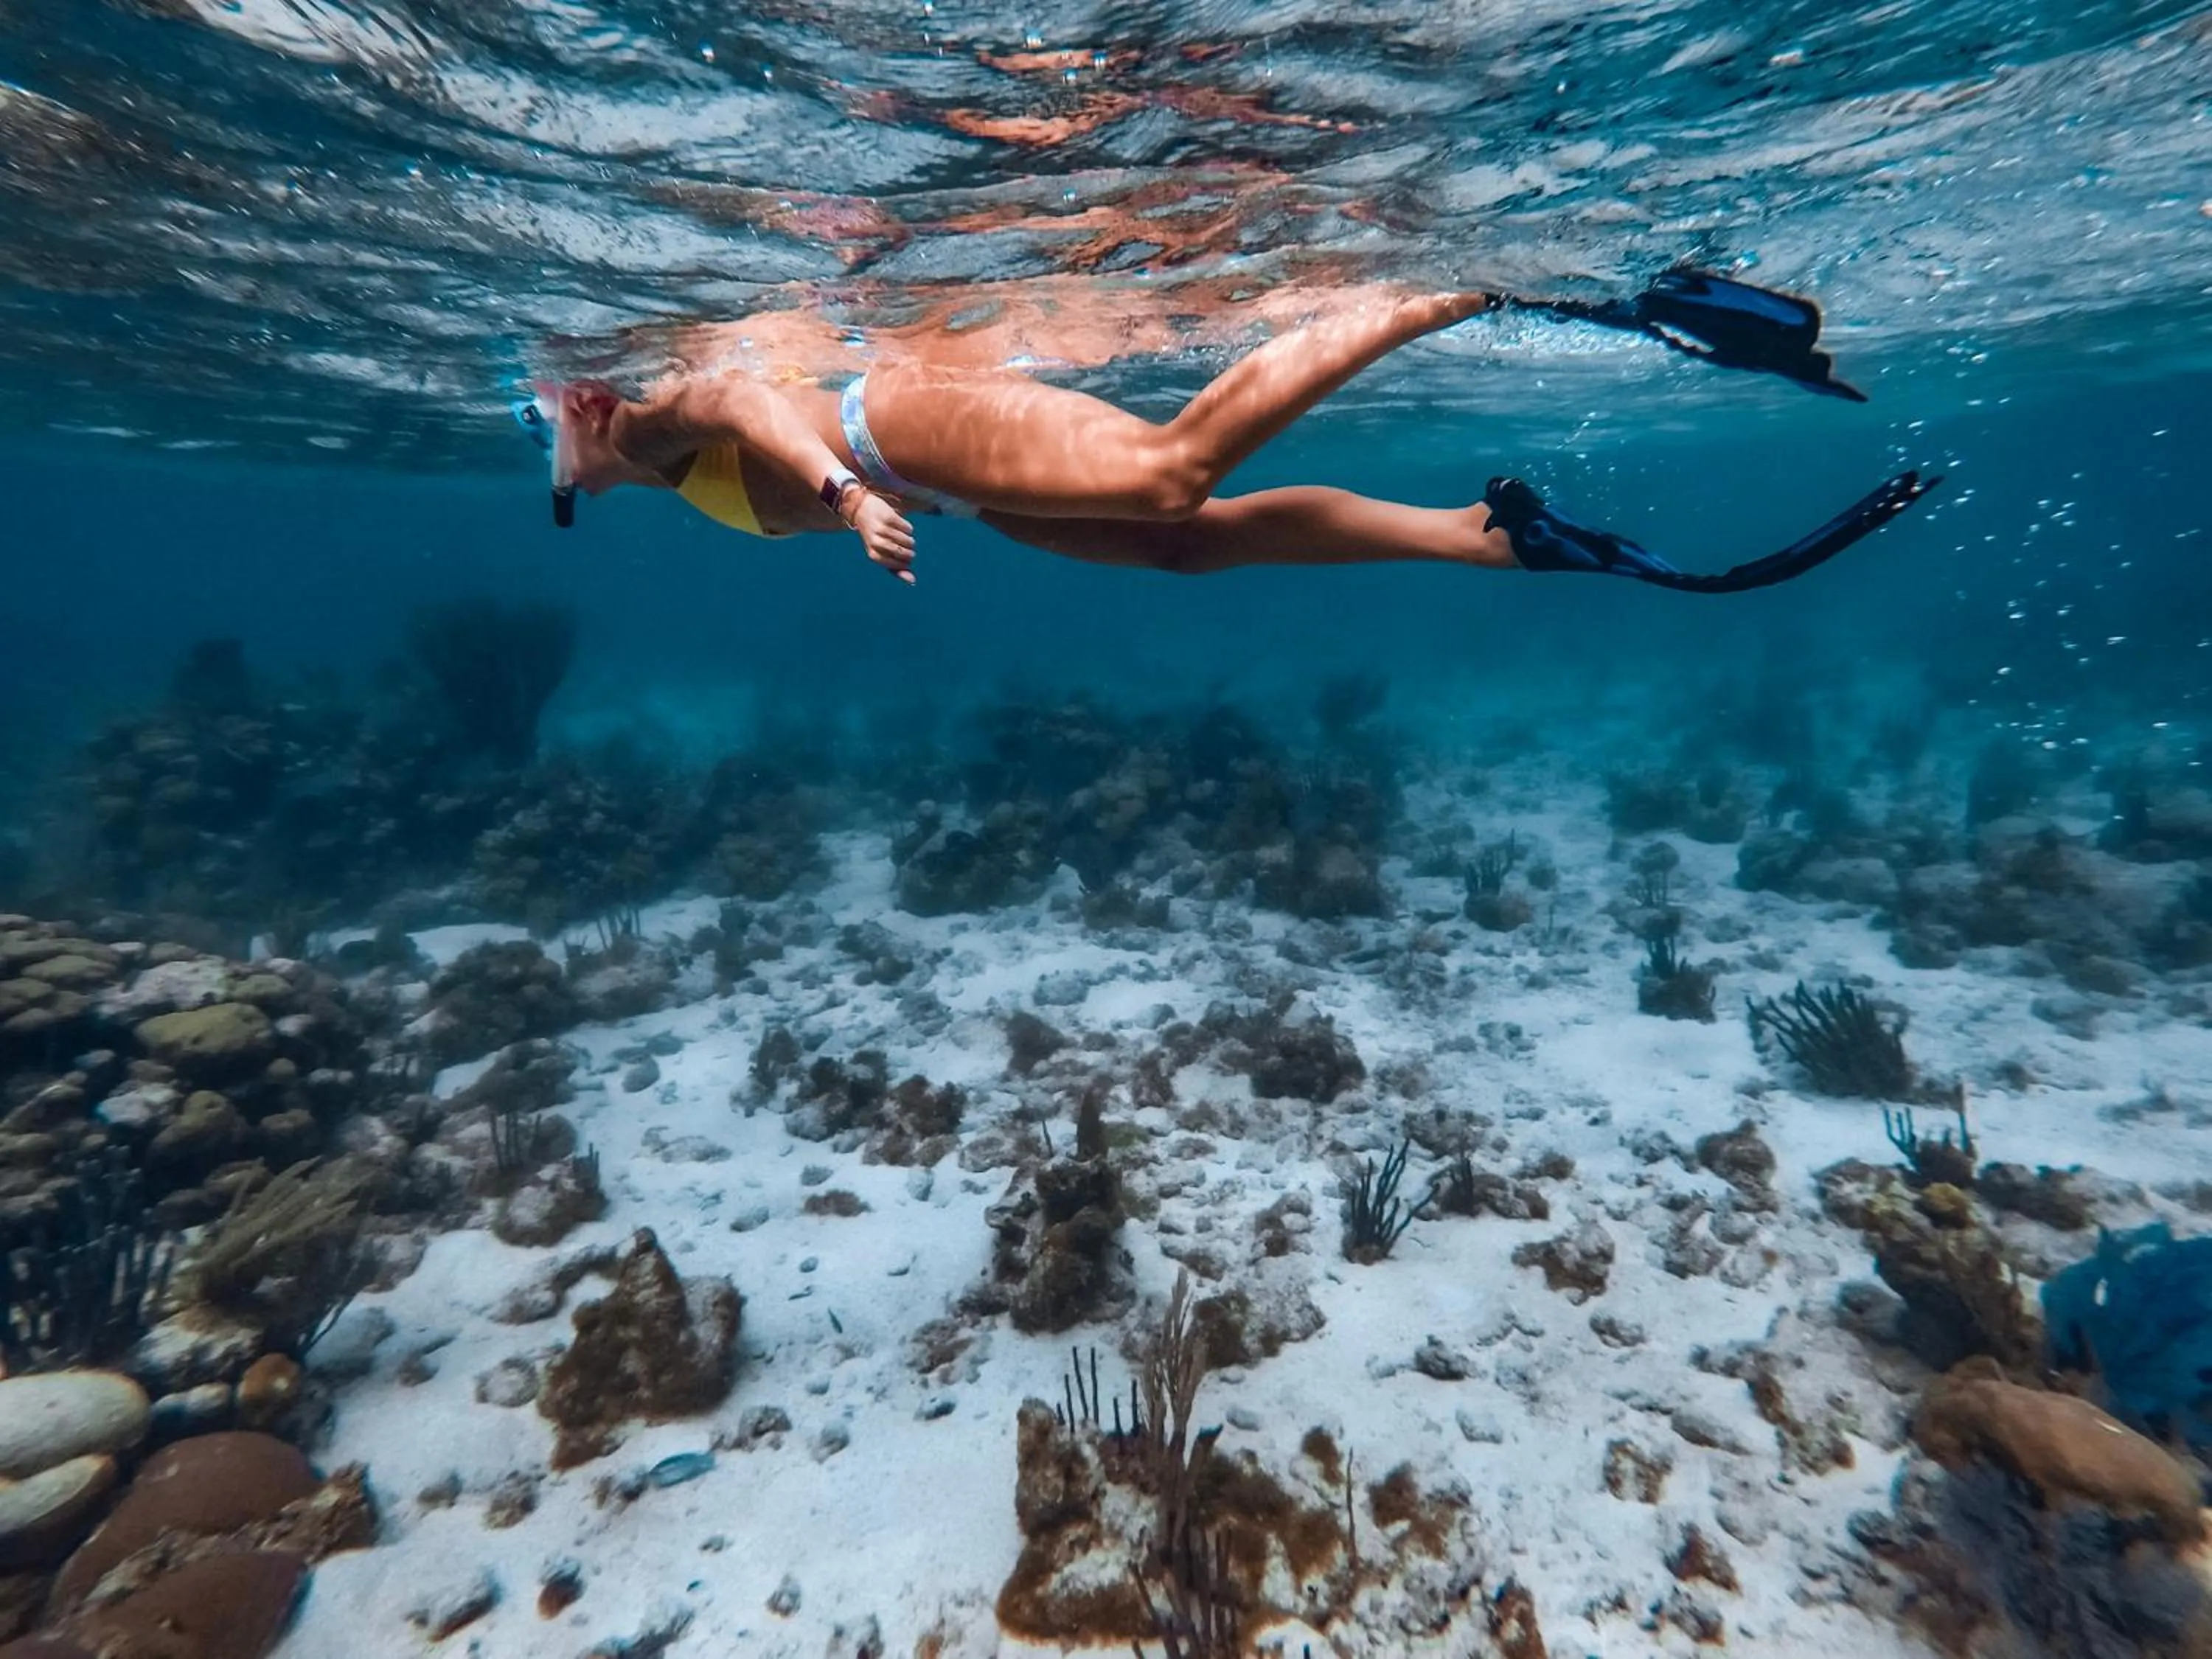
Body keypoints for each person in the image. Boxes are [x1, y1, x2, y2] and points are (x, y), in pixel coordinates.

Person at [516, 271, 1935, 594]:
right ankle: (1491, 536)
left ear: (579, 400)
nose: (551, 465)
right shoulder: (627, 463)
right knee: (1187, 546)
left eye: (546, 440)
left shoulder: (662, 400)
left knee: (1167, 467)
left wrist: (836, 485)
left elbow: (759, 399)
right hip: (932, 490)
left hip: (887, 428)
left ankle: (1454, 277)